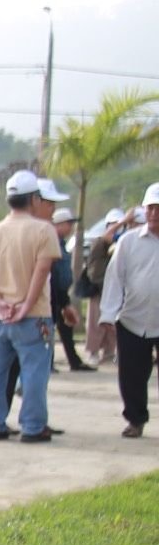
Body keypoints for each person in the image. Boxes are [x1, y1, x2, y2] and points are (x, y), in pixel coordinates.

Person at [0, 170, 64, 443]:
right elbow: (41, 272)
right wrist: (25, 305)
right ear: (34, 199)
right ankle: (33, 426)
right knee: (34, 373)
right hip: (34, 316)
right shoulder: (43, 230)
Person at [100, 184, 159, 438]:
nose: (155, 214)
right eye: (151, 208)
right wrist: (107, 315)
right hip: (132, 319)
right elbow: (114, 279)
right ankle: (135, 419)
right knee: (132, 375)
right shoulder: (128, 242)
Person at [45, 204, 94, 373]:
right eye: (68, 223)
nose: (71, 227)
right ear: (57, 224)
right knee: (50, 328)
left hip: (60, 292)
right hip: (53, 293)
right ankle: (48, 361)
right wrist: (64, 301)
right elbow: (54, 273)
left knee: (65, 329)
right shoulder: (50, 243)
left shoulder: (62, 244)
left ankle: (73, 360)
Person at [82, 209, 127, 366]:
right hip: (98, 287)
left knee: (113, 323)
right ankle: (93, 351)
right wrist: (121, 222)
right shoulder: (100, 242)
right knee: (95, 323)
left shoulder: (122, 243)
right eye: (113, 225)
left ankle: (109, 351)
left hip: (114, 288)